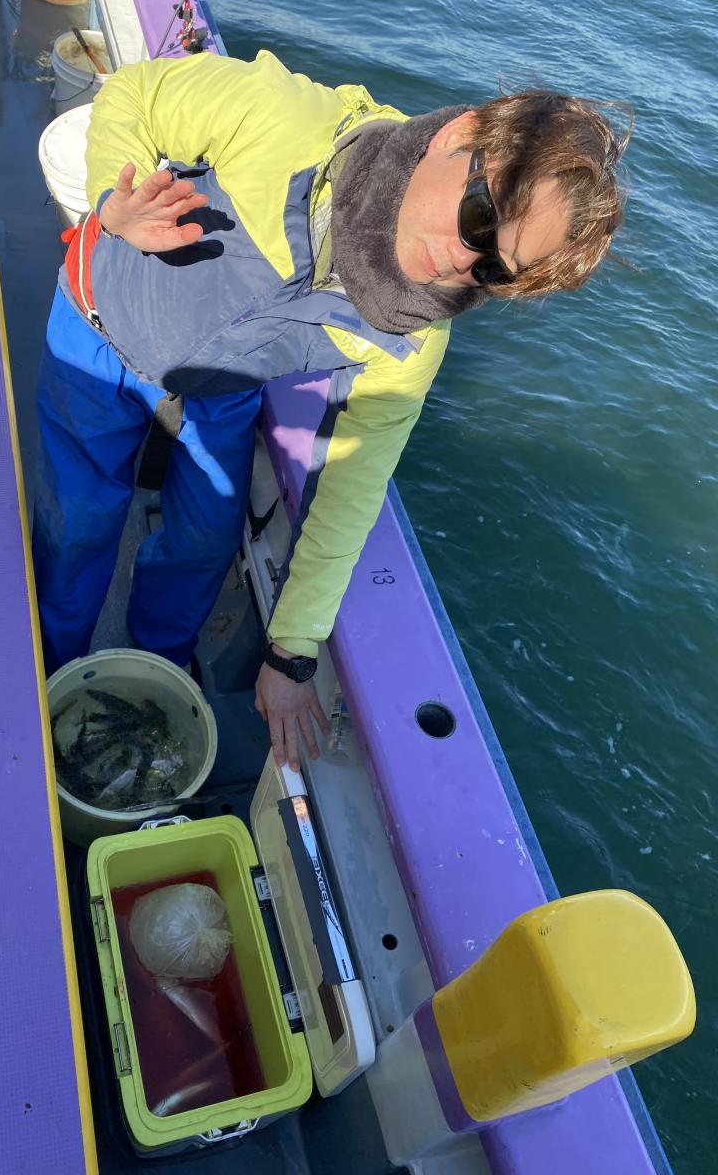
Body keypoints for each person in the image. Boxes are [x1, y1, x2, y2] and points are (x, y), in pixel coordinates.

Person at [32, 50, 630, 769]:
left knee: (203, 542)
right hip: (96, 327)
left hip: (220, 391)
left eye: (496, 268)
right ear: (459, 136)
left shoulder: (409, 342)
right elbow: (138, 91)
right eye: (479, 217)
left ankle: (152, 675)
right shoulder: (284, 119)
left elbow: (351, 492)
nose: (460, 262)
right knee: (78, 523)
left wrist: (292, 653)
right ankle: (51, 669)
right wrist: (114, 198)